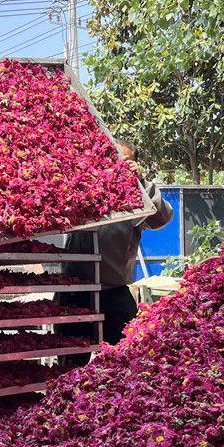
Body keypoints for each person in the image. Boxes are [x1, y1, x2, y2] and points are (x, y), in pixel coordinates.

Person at [56, 138, 173, 362]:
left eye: (125, 161)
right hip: (73, 292)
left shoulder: (135, 201)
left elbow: (162, 217)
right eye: (112, 159)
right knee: (69, 363)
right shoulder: (82, 189)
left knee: (121, 362)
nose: (117, 165)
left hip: (113, 293)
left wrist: (141, 182)